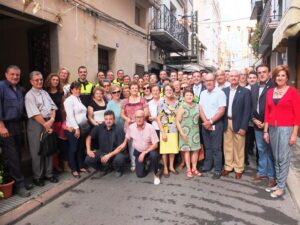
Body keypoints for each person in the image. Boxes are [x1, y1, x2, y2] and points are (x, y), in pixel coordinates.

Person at [264, 65, 300, 198]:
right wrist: (266, 131)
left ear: (287, 77)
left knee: (283, 158)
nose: (280, 78)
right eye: (278, 75)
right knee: (276, 157)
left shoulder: (293, 92)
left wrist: (294, 134)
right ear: (274, 77)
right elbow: (267, 113)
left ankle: (281, 187)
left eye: (283, 75)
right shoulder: (270, 92)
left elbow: (297, 115)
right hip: (272, 128)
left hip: (286, 129)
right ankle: (279, 183)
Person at [0, 65, 32, 197]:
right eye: (12, 74)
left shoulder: (20, 90)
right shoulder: (1, 87)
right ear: (6, 75)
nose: (15, 77)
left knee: (18, 154)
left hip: (17, 125)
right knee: (12, 156)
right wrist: (1, 126)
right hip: (5, 125)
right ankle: (19, 186)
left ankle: (19, 181)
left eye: (17, 75)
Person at [25, 71, 58, 186]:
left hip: (48, 121)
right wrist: (47, 125)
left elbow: (53, 107)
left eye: (41, 80)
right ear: (31, 81)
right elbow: (35, 114)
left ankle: (49, 174)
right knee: (37, 150)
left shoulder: (45, 92)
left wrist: (52, 120)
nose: (39, 82)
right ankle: (37, 177)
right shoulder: (29, 95)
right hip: (36, 124)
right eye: (36, 80)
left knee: (48, 148)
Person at [222, 70, 251, 179]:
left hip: (239, 122)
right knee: (227, 145)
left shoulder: (245, 92)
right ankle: (228, 166)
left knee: (239, 146)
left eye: (236, 76)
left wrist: (244, 127)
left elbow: (247, 111)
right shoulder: (224, 91)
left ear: (239, 78)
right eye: (232, 76)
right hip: (226, 121)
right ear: (228, 77)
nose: (233, 78)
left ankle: (239, 168)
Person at [251, 65, 275, 187]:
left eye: (264, 72)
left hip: (270, 125)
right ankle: (262, 171)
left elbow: (275, 108)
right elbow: (251, 106)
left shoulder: (273, 87)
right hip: (257, 124)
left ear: (269, 73)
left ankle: (271, 175)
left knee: (270, 150)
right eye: (259, 72)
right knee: (261, 149)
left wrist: (267, 122)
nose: (261, 74)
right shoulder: (253, 87)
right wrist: (254, 119)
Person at [199, 73, 226, 179]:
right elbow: (200, 108)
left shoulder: (220, 93)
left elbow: (221, 110)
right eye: (206, 80)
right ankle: (207, 165)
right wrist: (205, 121)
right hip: (205, 123)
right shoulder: (203, 93)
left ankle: (217, 169)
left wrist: (210, 121)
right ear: (204, 82)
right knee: (207, 147)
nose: (209, 82)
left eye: (211, 80)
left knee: (216, 148)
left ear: (214, 81)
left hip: (216, 123)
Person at [85, 110, 126, 177]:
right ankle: (104, 169)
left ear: (114, 119)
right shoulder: (99, 127)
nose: (108, 121)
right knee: (88, 159)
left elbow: (121, 147)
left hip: (115, 153)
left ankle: (118, 169)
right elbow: (89, 137)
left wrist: (109, 155)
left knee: (120, 159)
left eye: (110, 119)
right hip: (102, 153)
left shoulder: (119, 129)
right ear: (104, 119)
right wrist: (88, 150)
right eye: (106, 119)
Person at [124, 110, 160, 185]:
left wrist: (145, 152)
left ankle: (156, 174)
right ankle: (147, 164)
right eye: (137, 117)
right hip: (138, 151)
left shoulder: (150, 127)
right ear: (135, 118)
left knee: (153, 155)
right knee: (140, 175)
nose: (139, 119)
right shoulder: (131, 127)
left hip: (149, 150)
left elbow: (156, 144)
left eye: (141, 117)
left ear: (144, 118)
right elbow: (125, 141)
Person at [64, 81, 90, 178]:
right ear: (71, 90)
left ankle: (81, 166)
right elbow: (70, 116)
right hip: (74, 129)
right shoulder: (69, 100)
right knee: (73, 149)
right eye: (76, 89)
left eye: (79, 89)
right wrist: (76, 128)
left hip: (82, 127)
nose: (78, 90)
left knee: (80, 148)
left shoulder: (78, 99)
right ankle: (74, 169)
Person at [121, 82, 149, 171]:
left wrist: (139, 118)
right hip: (130, 126)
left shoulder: (142, 100)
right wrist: (126, 118)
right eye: (132, 88)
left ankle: (143, 161)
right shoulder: (125, 101)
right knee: (132, 146)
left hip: (141, 126)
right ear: (129, 89)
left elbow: (146, 113)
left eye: (136, 88)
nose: (134, 90)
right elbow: (122, 113)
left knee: (143, 144)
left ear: (138, 89)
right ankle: (134, 163)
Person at [176, 89, 202, 178]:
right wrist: (182, 133)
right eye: (187, 95)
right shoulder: (182, 106)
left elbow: (203, 117)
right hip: (185, 132)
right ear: (184, 97)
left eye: (191, 95)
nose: (189, 97)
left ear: (193, 96)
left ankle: (194, 168)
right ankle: (188, 169)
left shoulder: (198, 106)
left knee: (195, 150)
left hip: (195, 132)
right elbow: (177, 121)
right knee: (187, 151)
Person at [157, 84, 179, 177]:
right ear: (164, 92)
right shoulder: (161, 101)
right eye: (167, 90)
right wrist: (162, 132)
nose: (169, 91)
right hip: (165, 129)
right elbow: (158, 118)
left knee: (172, 150)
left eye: (170, 90)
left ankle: (171, 166)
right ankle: (165, 167)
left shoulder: (177, 101)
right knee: (165, 150)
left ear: (173, 90)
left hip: (174, 129)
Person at [45, 73, 65, 173]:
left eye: (57, 80)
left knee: (58, 143)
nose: (55, 81)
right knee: (51, 144)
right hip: (49, 121)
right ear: (50, 80)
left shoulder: (61, 92)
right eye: (53, 80)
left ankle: (58, 164)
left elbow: (62, 107)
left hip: (59, 121)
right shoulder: (45, 93)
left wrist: (64, 120)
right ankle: (52, 166)